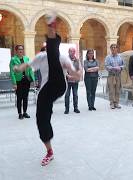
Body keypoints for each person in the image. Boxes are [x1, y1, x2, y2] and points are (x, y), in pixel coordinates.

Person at [14, 13, 82, 166]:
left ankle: (52, 26)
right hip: (46, 91)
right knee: (41, 120)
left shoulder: (62, 57)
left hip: (58, 85)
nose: (47, 49)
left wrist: (76, 74)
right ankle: (49, 150)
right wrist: (18, 68)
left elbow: (74, 74)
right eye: (46, 47)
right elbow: (28, 64)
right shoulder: (41, 56)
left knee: (54, 56)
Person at [9, 45, 35, 119]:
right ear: (16, 51)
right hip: (18, 81)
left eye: (22, 49)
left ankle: (25, 112)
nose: (21, 51)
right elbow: (12, 72)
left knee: (25, 97)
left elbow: (30, 69)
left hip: (26, 80)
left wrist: (32, 79)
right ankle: (20, 113)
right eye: (19, 49)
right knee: (19, 98)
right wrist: (14, 83)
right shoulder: (13, 59)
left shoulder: (26, 58)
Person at [104, 44, 125, 109]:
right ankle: (112, 103)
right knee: (111, 90)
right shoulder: (108, 57)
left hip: (118, 76)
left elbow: (124, 65)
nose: (114, 49)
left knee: (117, 90)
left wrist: (120, 68)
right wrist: (112, 68)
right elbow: (106, 66)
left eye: (115, 47)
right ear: (110, 49)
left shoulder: (120, 57)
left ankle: (117, 103)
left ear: (117, 49)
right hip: (111, 75)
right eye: (112, 48)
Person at [64, 47, 81, 114]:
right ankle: (67, 109)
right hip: (67, 80)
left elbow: (79, 69)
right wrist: (68, 76)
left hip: (75, 80)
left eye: (73, 51)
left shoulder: (77, 60)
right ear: (68, 52)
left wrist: (77, 75)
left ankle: (76, 108)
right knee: (67, 95)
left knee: (75, 94)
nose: (72, 52)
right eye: (71, 51)